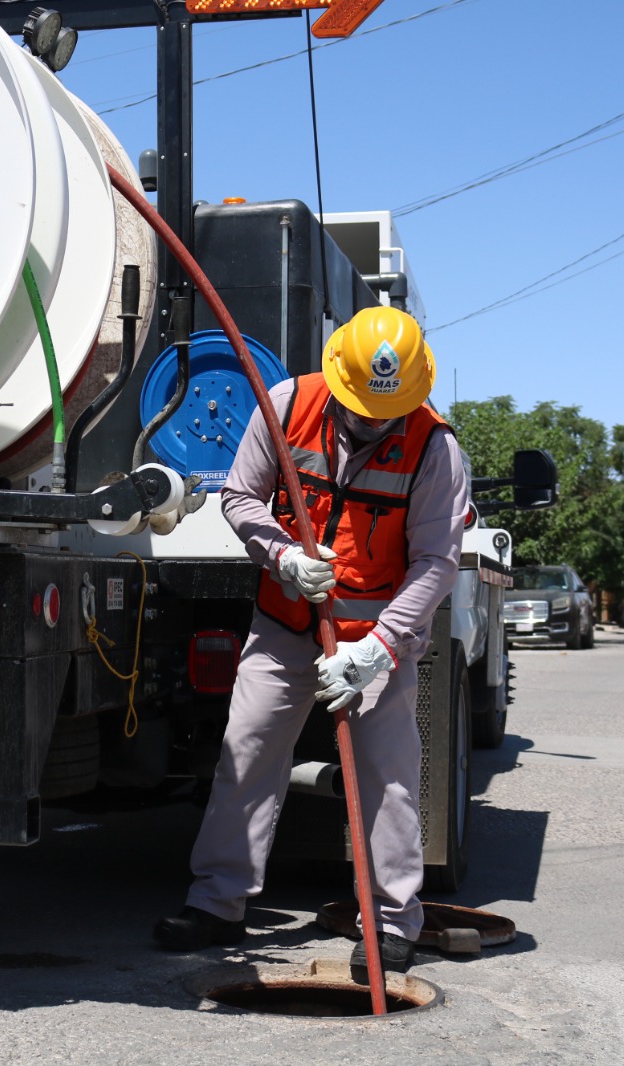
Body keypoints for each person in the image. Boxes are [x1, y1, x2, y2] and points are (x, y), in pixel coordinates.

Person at [152, 305, 470, 982]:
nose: (375, 422)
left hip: (374, 640)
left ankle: (389, 925)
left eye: (389, 412)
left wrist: (377, 650)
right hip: (286, 622)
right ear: (340, 380)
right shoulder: (288, 404)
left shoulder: (435, 450)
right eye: (363, 409)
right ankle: (218, 903)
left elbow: (437, 563)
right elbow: (240, 498)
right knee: (246, 752)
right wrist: (282, 557)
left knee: (388, 779)